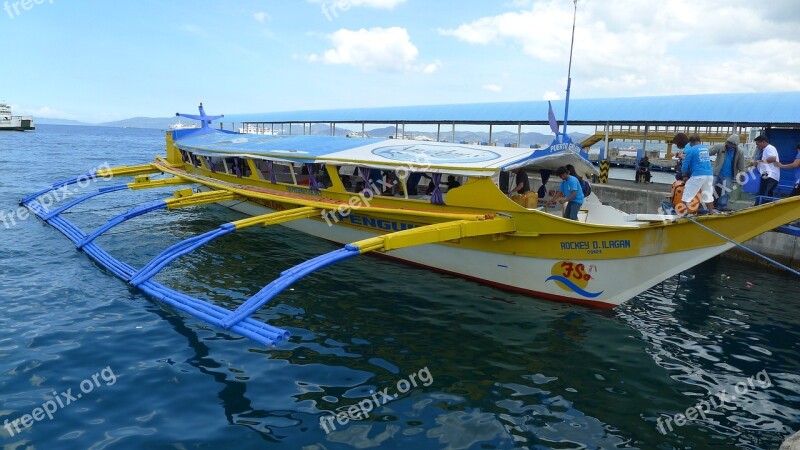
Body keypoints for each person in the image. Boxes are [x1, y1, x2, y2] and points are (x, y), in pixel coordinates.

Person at [678, 134, 715, 214]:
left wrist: (684, 174)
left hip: (698, 174)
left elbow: (685, 164)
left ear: (690, 143)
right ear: (699, 141)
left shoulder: (690, 150)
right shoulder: (705, 149)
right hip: (709, 175)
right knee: (708, 194)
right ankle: (711, 212)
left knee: (687, 193)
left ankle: (684, 214)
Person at [708, 133, 745, 211]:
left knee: (726, 192)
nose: (730, 146)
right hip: (716, 173)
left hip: (728, 175)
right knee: (709, 189)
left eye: (732, 146)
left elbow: (741, 165)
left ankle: (722, 206)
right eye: (728, 145)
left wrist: (742, 175)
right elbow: (708, 152)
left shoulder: (740, 152)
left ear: (736, 145)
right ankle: (707, 205)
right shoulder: (720, 146)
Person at [752, 135, 781, 201]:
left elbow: (773, 158)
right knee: (767, 196)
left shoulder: (769, 148)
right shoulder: (766, 149)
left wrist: (758, 162)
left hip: (769, 175)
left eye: (758, 144)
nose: (757, 146)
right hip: (770, 176)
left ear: (763, 142)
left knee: (763, 195)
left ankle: (758, 209)